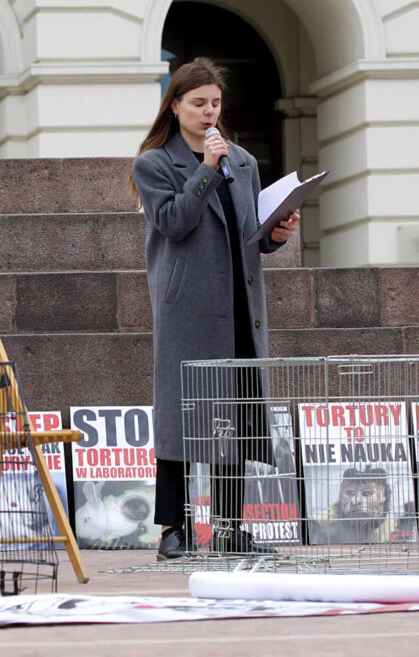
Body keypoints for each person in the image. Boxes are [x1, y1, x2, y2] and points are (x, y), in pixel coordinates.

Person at [129, 57, 300, 560]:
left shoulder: (242, 161)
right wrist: (204, 169)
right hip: (188, 307)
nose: (209, 113)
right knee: (182, 417)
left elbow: (249, 234)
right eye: (198, 103)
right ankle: (173, 530)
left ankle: (229, 528)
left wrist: (276, 234)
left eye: (216, 103)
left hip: (241, 306)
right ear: (176, 105)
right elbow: (174, 222)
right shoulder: (154, 163)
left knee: (236, 417)